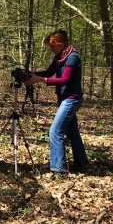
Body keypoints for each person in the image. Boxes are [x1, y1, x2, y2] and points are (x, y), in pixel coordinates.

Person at [25, 30, 89, 175]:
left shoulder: (72, 57)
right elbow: (48, 73)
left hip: (72, 99)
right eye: (50, 46)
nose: (51, 49)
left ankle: (58, 169)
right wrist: (31, 74)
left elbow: (64, 80)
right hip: (64, 98)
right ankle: (82, 163)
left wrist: (40, 80)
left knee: (55, 131)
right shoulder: (59, 57)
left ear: (62, 44)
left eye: (54, 46)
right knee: (72, 132)